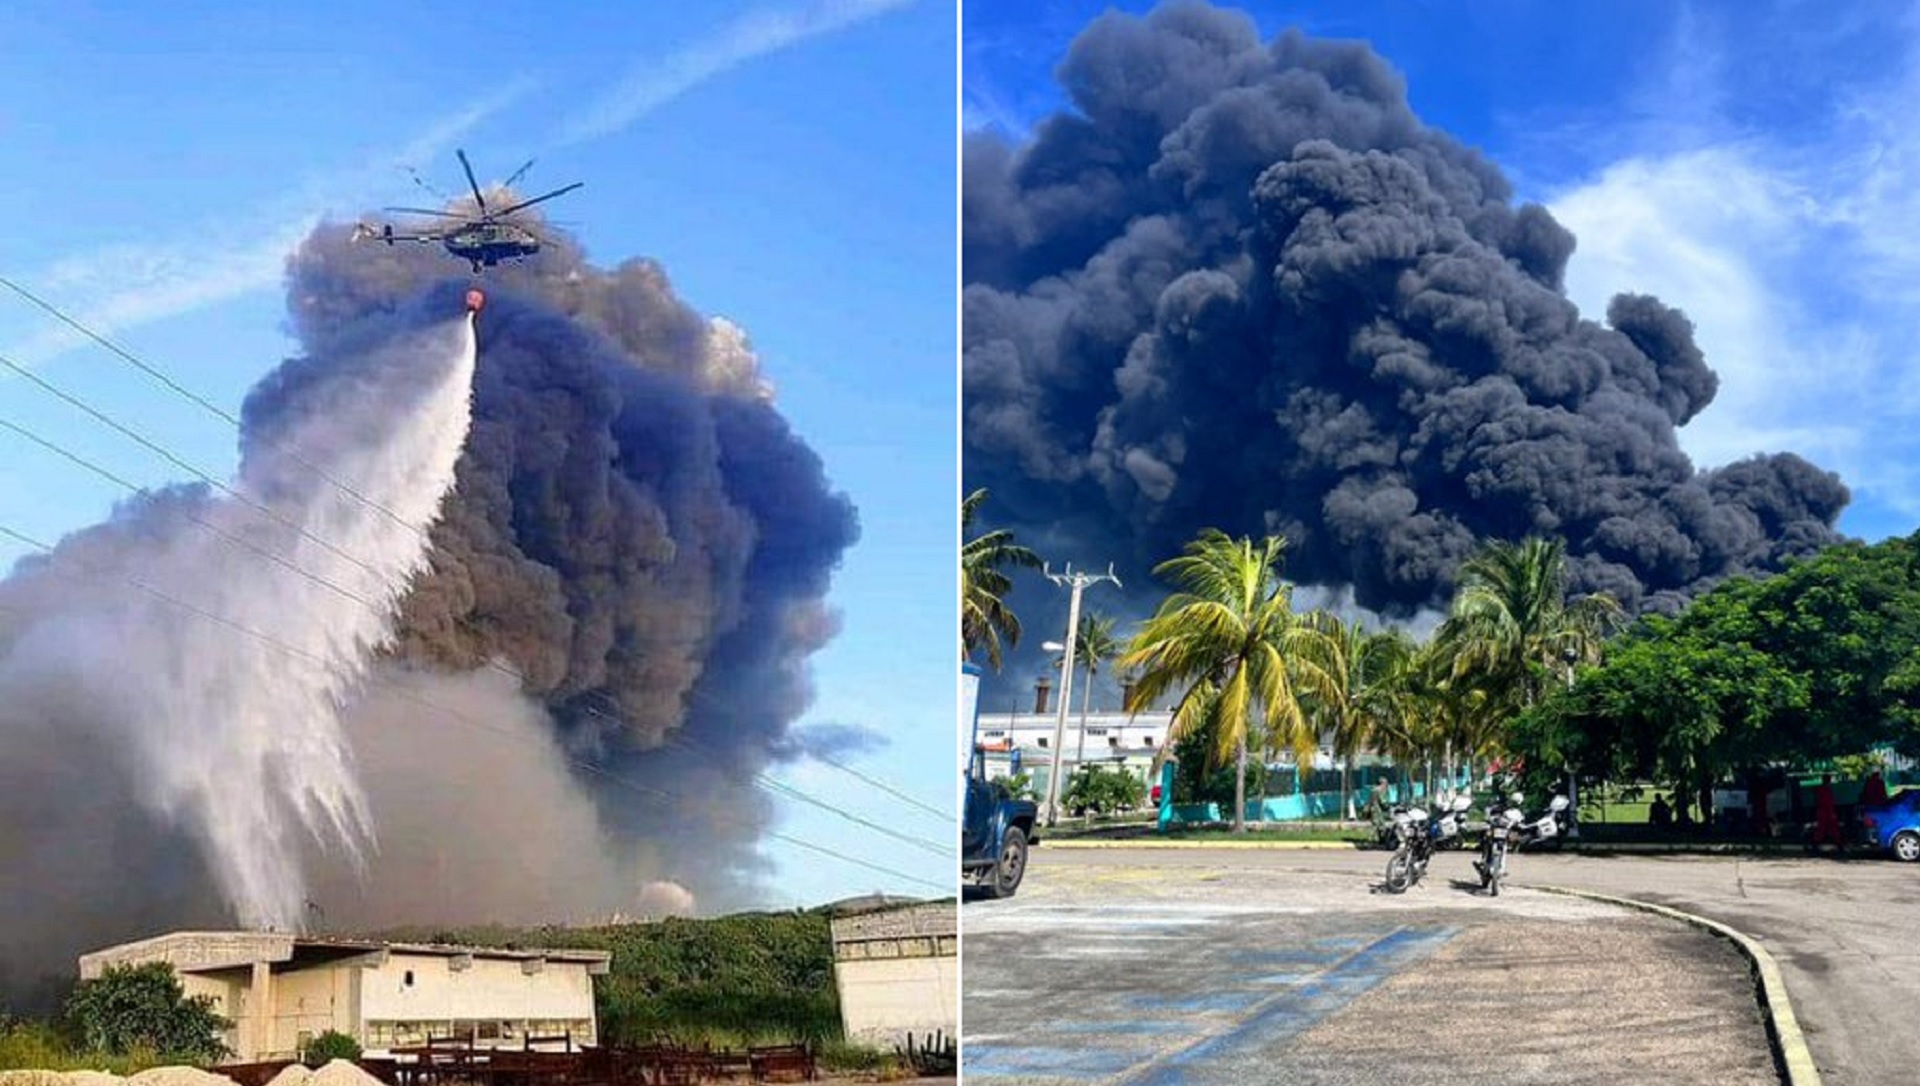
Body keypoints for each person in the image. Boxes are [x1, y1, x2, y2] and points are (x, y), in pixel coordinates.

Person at [1811, 774, 1844, 850]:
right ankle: (1839, 844)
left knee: (1821, 829)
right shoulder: (1827, 790)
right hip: (1827, 812)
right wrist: (1832, 813)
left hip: (1821, 811)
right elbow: (1829, 802)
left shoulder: (1819, 789)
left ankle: (1815, 843)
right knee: (1833, 829)